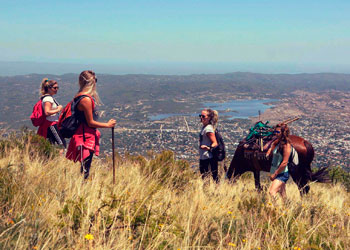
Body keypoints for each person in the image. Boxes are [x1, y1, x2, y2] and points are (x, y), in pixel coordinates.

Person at [66, 70, 116, 179]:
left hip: (83, 134)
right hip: (85, 137)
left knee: (85, 167)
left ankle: (81, 189)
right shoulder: (86, 100)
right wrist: (108, 125)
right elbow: (90, 122)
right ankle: (82, 191)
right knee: (85, 169)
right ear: (91, 83)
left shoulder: (79, 96)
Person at [266, 123, 296, 199]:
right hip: (278, 172)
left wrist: (275, 174)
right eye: (275, 132)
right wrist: (270, 149)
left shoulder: (286, 145)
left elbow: (285, 162)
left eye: (278, 132)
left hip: (282, 173)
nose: (276, 133)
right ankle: (286, 207)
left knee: (271, 192)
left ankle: (275, 209)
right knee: (282, 194)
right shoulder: (277, 142)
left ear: (283, 133)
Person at [37, 78, 66, 148]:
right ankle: (61, 157)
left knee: (51, 144)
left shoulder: (47, 98)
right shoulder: (48, 99)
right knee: (61, 144)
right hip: (51, 124)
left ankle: (49, 157)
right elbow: (47, 112)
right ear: (49, 88)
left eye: (57, 87)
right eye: (55, 88)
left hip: (50, 124)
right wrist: (58, 109)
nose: (56, 89)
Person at [199, 109, 219, 182]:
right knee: (205, 178)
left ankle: (212, 191)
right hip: (204, 157)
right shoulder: (205, 127)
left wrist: (208, 148)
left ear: (209, 117)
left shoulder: (208, 129)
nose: (201, 118)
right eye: (200, 116)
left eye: (203, 116)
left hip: (208, 158)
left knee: (207, 178)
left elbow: (215, 143)